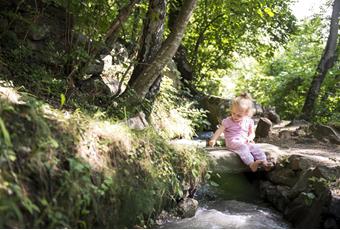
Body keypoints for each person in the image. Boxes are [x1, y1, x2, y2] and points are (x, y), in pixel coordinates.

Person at [208, 93, 272, 172]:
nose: (235, 116)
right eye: (233, 113)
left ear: (246, 113)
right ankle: (251, 164)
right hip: (233, 142)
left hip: (245, 141)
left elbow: (252, 133)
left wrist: (250, 138)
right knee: (243, 147)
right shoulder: (228, 121)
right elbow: (219, 130)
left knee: (255, 147)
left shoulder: (249, 121)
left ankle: (264, 162)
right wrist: (213, 139)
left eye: (239, 115)